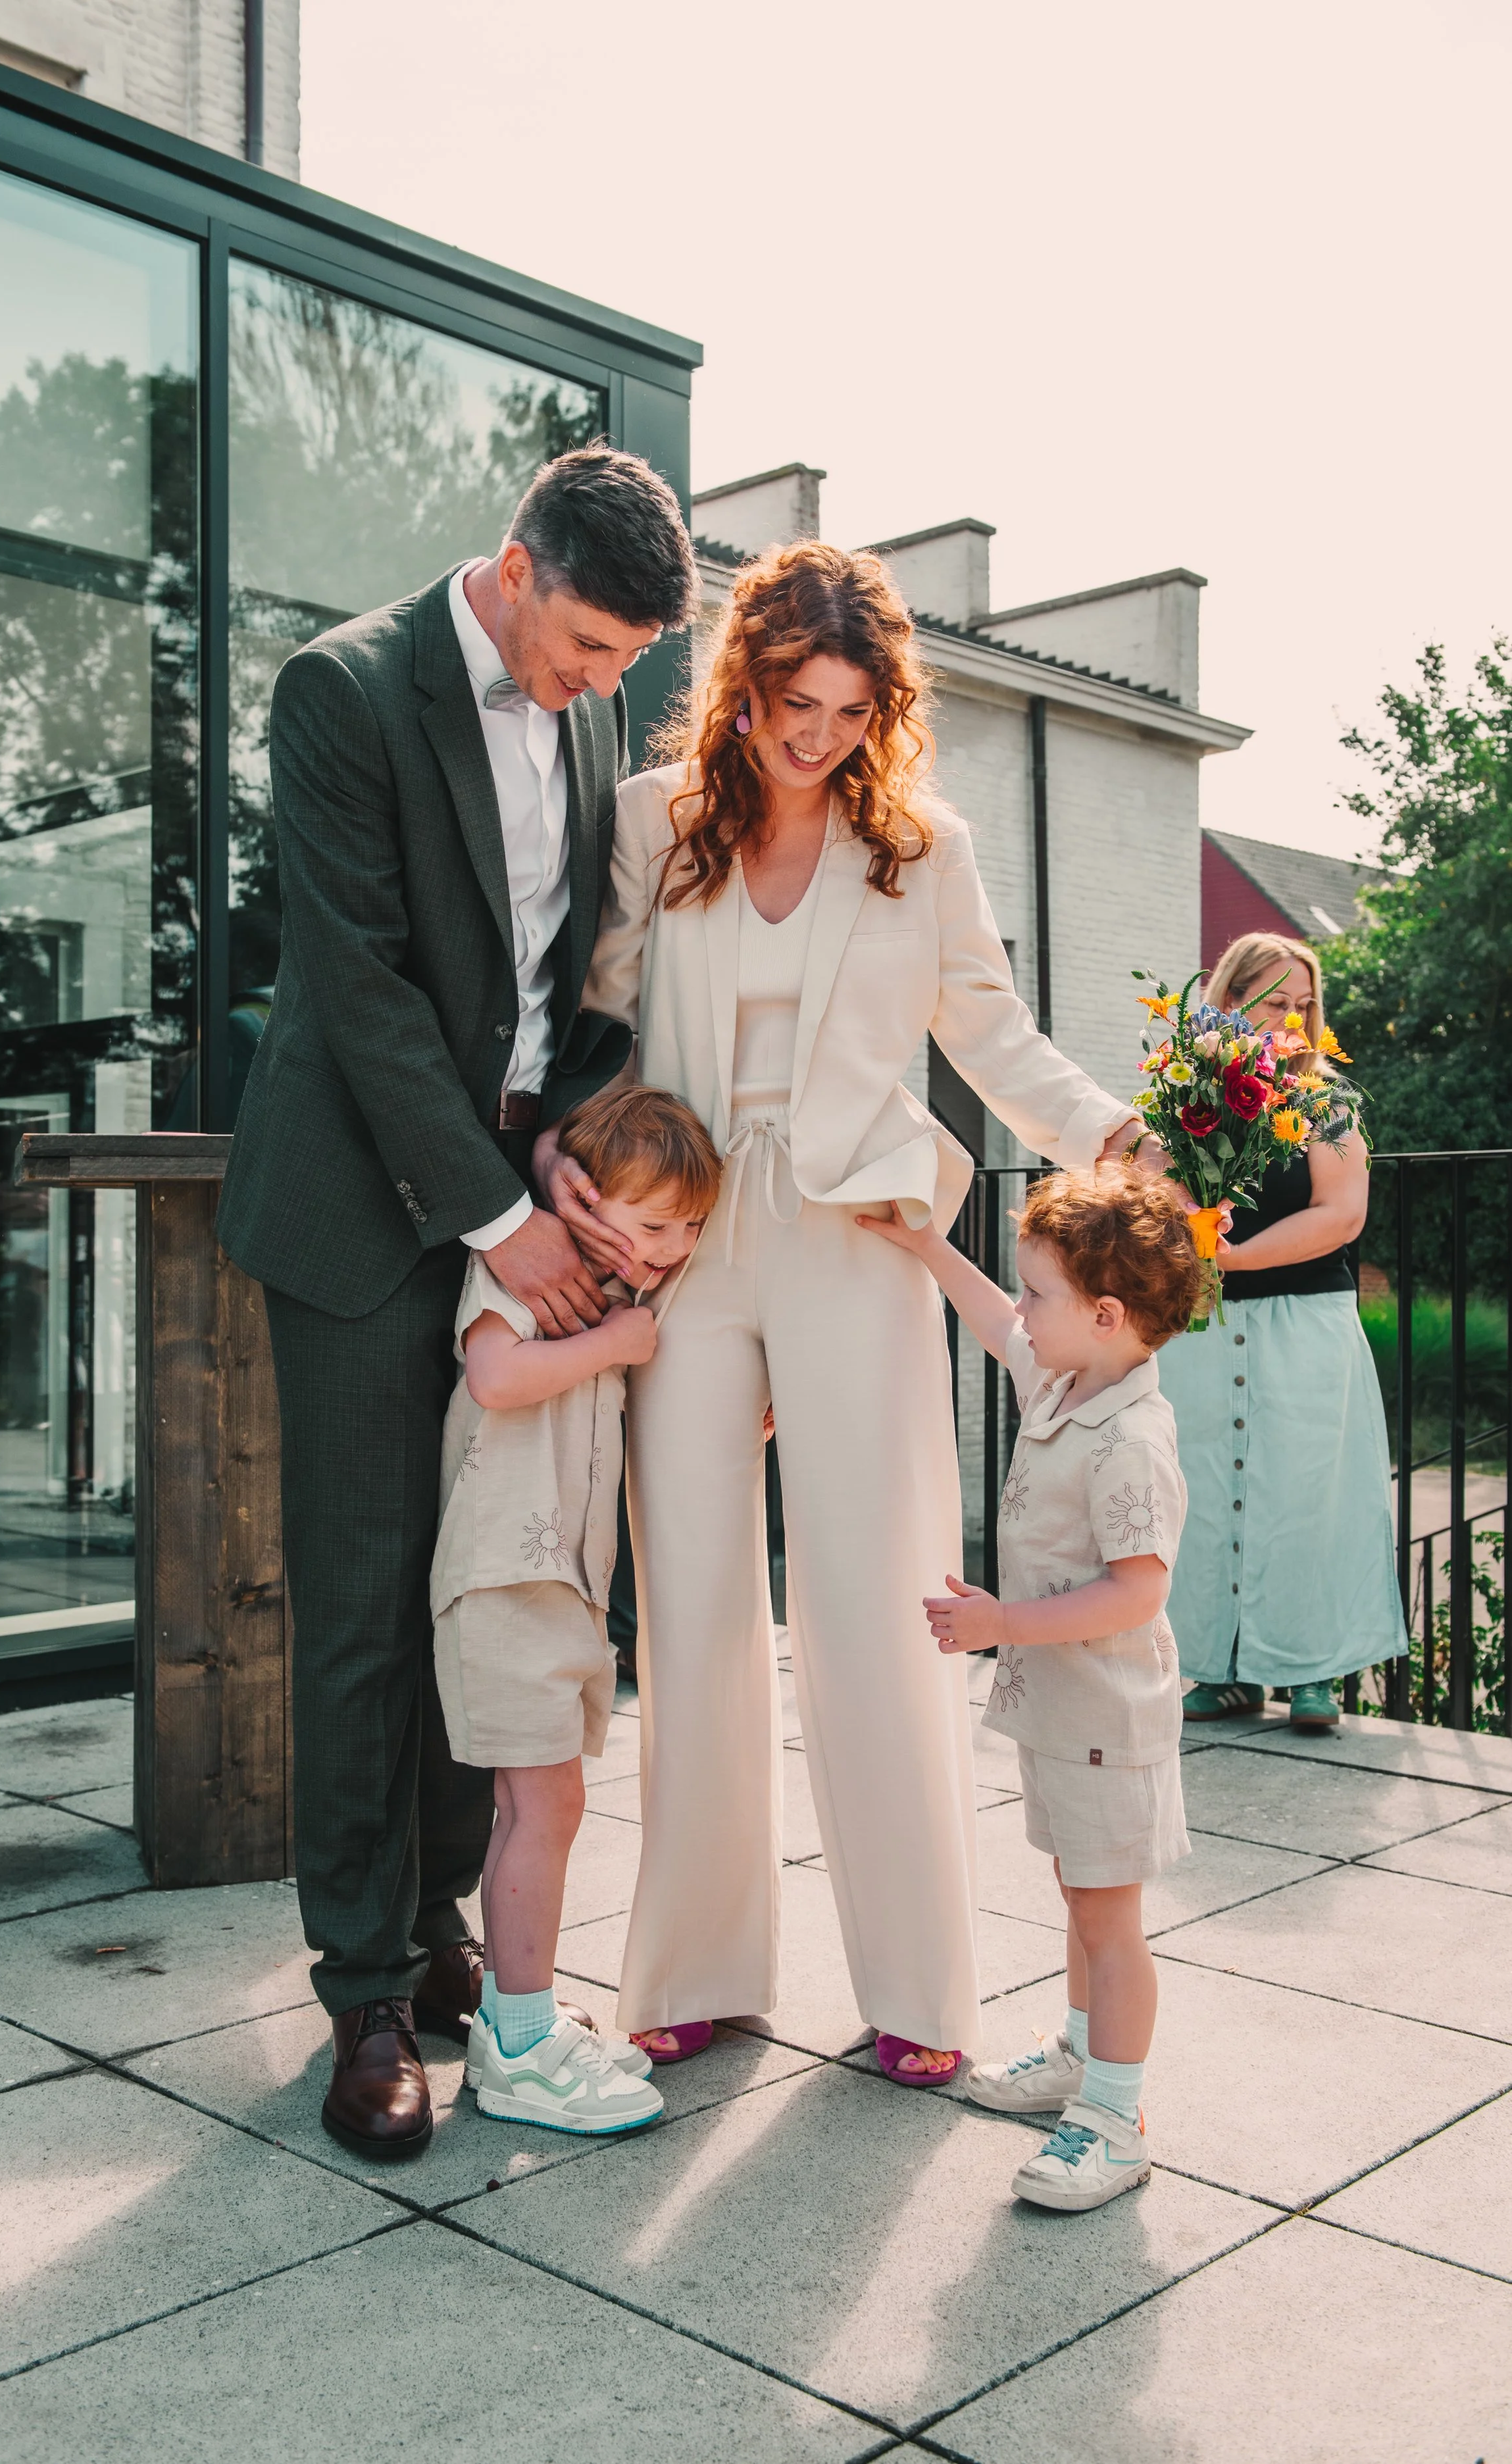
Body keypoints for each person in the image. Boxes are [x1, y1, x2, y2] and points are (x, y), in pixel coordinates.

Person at [543, 540, 1147, 2084]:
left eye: (848, 708)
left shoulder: (922, 847)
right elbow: (596, 1026)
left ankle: (916, 1996)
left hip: (858, 1232)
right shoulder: (648, 825)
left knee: (878, 1608)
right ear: (741, 683)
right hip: (684, 1244)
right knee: (690, 1607)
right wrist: (564, 1168)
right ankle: (695, 1967)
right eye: (790, 700)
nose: (815, 734)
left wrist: (1113, 1142)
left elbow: (993, 1034)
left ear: (885, 708)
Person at [216, 446, 699, 2159]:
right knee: (358, 1604)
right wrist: (504, 1222)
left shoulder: (578, 717)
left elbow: (558, 985)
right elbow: (356, 988)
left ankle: (432, 1924)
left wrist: (567, 1155)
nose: (595, 691)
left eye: (620, 669)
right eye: (581, 651)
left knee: (464, 1595)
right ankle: (360, 1989)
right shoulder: (338, 690)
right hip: (361, 1209)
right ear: (510, 568)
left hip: (508, 1187)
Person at [863, 1168, 1200, 2210]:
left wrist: (1002, 1621)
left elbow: (1136, 1593)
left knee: (1110, 1917)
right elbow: (995, 1319)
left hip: (1110, 1717)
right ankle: (1080, 2054)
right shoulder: (1068, 1378)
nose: (1025, 1311)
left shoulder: (1130, 1439)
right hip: (1065, 1713)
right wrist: (924, 1249)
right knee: (1079, 1895)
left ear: (1104, 1315)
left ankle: (1116, 2113)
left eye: (1042, 1294)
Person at [434, 1086, 718, 2132]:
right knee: (543, 1809)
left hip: (557, 1588)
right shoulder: (533, 1275)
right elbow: (497, 1377)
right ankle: (517, 2042)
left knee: (538, 1809)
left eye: (690, 1230)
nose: (672, 1249)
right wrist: (618, 1344)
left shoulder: (608, 1296)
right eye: (652, 1226)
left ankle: (522, 2021)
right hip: (506, 1577)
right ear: (589, 1201)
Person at [1160, 932, 1407, 1732]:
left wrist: (1231, 1256)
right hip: (1204, 1326)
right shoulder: (1181, 1094)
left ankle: (1311, 1672)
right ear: (1227, 1003)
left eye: (1305, 1006)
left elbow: (1343, 1214)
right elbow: (1152, 1189)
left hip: (1306, 1321)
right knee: (1204, 1486)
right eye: (1276, 1004)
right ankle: (1219, 1667)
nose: (1294, 1022)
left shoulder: (1328, 1104)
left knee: (1305, 1492)